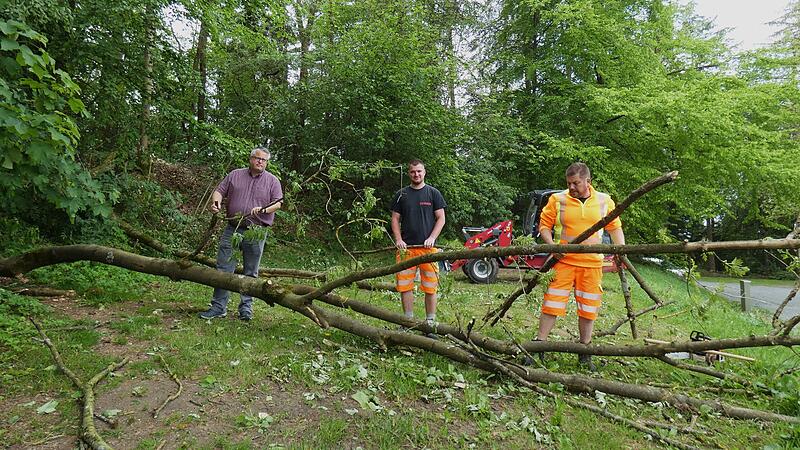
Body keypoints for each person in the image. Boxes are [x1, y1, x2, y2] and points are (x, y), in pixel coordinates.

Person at [533, 162, 625, 370]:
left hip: (592, 264)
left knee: (588, 308)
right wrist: (552, 247)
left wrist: (621, 252)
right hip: (563, 262)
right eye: (569, 183)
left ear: (587, 181)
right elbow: (544, 227)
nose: (572, 187)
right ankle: (539, 346)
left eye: (576, 183)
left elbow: (615, 229)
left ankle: (584, 352)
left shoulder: (604, 201)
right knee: (552, 304)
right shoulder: (557, 200)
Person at [199, 147, 283, 321]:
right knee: (223, 268)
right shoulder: (235, 175)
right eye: (257, 158)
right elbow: (219, 191)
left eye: (264, 160)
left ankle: (246, 309)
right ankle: (218, 307)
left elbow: (278, 203)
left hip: (256, 232)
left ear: (267, 163)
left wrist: (264, 209)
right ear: (250, 159)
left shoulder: (272, 181)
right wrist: (216, 204)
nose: (260, 162)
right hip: (233, 229)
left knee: (250, 272)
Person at [390, 159, 446, 336]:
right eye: (413, 172)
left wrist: (432, 237)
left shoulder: (433, 193)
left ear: (424, 172)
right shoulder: (401, 195)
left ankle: (430, 324)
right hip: (407, 250)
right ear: (409, 173)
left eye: (419, 171)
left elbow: (441, 218)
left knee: (430, 287)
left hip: (428, 250)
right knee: (405, 286)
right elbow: (394, 219)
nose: (416, 174)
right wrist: (398, 240)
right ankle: (408, 322)